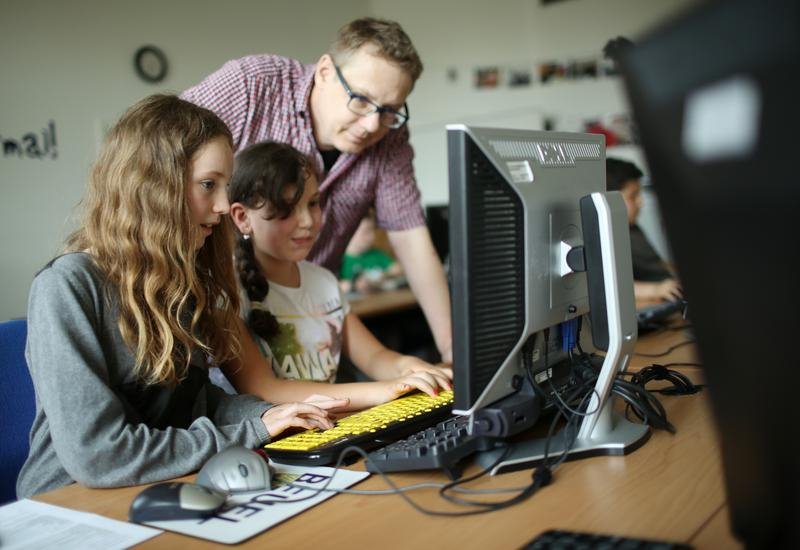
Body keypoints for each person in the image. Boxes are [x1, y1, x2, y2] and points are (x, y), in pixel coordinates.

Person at [16, 95, 347, 499]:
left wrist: (271, 416)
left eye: (225, 187)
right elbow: (100, 455)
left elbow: (195, 402)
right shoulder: (66, 287)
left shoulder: (178, 279)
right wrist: (254, 431)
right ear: (153, 187)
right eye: (209, 185)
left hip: (160, 482)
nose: (224, 205)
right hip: (70, 503)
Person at [181, 17, 453, 363]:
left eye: (389, 111)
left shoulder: (390, 138)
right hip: (222, 319)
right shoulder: (254, 84)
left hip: (312, 326)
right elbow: (163, 151)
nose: (372, 125)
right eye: (361, 100)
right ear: (325, 71)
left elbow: (411, 239)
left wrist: (452, 351)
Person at [217, 141, 452, 411]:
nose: (307, 221)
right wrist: (382, 391)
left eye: (314, 203)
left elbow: (375, 357)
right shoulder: (227, 290)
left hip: (332, 427)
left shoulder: (324, 282)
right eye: (287, 208)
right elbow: (266, 389)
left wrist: (406, 368)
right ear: (242, 217)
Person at [606, 157, 683, 302]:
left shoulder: (632, 227)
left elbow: (656, 264)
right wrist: (656, 290)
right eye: (633, 196)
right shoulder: (607, 237)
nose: (640, 202)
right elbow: (609, 285)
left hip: (668, 291)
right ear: (610, 199)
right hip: (650, 299)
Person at [339, 209, 404, 294]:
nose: (372, 236)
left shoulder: (377, 255)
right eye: (366, 232)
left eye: (372, 230)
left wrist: (382, 277)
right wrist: (353, 285)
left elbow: (400, 270)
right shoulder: (339, 260)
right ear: (350, 232)